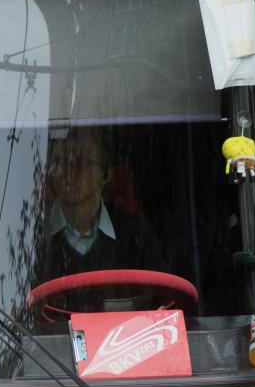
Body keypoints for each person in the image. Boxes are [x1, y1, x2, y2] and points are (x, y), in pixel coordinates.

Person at [32, 127, 167, 299]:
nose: (69, 171)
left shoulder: (136, 235)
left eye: (81, 162)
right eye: (61, 162)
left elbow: (162, 305)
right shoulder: (33, 235)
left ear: (105, 174)